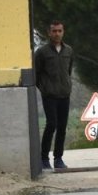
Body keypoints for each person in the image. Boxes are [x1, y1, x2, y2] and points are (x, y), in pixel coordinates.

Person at [34, 20, 74, 171]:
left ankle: (58, 159)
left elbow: (68, 71)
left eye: (59, 31)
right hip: (49, 95)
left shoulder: (68, 50)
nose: (57, 34)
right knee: (51, 125)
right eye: (54, 31)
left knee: (62, 127)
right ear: (49, 33)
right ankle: (44, 159)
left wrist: (67, 85)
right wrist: (44, 88)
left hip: (64, 94)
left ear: (63, 32)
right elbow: (36, 74)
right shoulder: (42, 52)